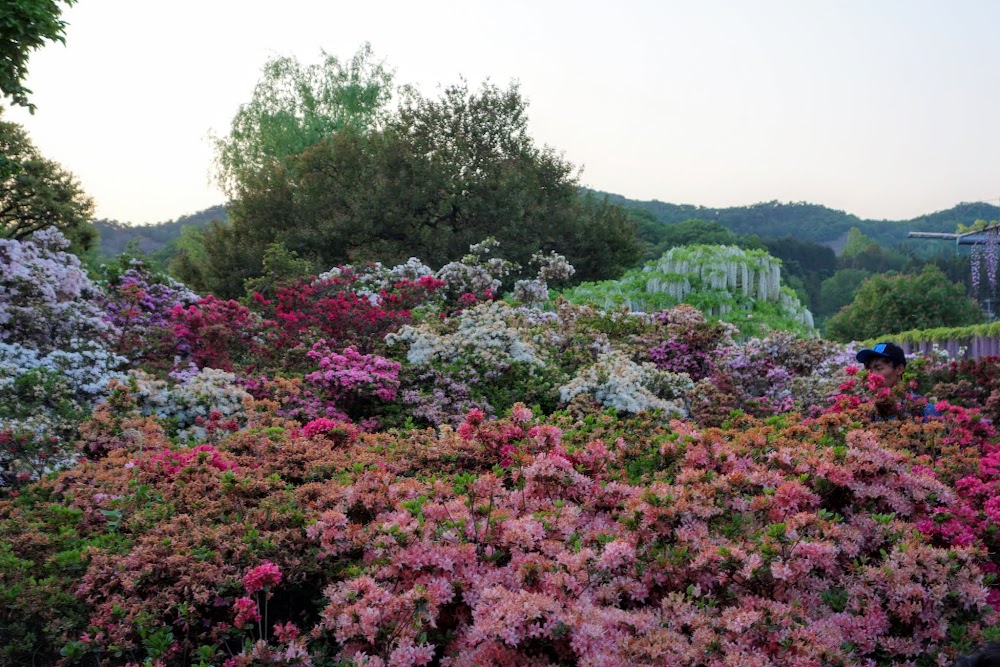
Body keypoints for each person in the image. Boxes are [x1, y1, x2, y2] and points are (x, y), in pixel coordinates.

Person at [855, 341, 941, 419]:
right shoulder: (868, 411)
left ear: (899, 369)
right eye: (869, 370)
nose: (872, 376)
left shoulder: (925, 410)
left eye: (879, 368)